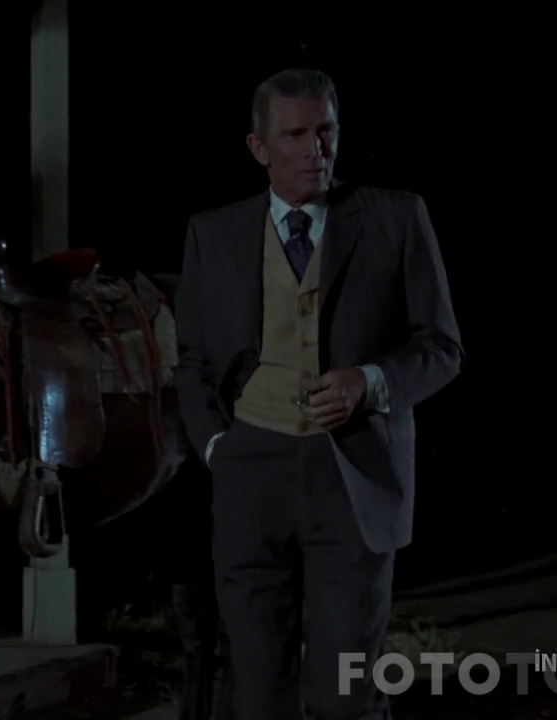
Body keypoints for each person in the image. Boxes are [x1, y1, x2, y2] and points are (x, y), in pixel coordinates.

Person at [174, 68, 463, 720]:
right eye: (297, 135)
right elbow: (192, 362)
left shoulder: (395, 218)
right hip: (251, 474)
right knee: (257, 696)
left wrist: (372, 381)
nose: (317, 150)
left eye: (327, 131)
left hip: (353, 475)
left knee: (345, 694)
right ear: (259, 148)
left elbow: (442, 346)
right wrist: (219, 448)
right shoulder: (213, 234)